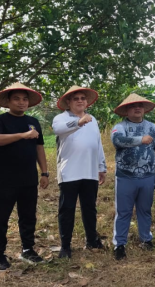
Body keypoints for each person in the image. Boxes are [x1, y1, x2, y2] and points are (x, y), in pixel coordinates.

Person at [0, 82, 49, 271]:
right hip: (6, 177)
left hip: (29, 176)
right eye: (17, 99)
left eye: (25, 99)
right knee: (1, 216)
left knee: (28, 215)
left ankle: (28, 249)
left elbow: (40, 147)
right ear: (8, 101)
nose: (22, 102)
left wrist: (45, 172)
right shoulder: (0, 120)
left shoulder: (33, 121)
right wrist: (22, 135)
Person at [52, 86, 107, 259]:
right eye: (76, 98)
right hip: (69, 171)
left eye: (83, 98)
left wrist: (101, 166)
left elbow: (97, 144)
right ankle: (65, 246)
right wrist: (79, 121)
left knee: (89, 208)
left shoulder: (93, 120)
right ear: (68, 102)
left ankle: (92, 239)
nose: (80, 101)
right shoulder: (60, 118)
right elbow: (58, 130)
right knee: (67, 209)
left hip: (90, 171)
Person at [111, 93, 155, 261]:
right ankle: (119, 244)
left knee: (145, 209)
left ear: (144, 110)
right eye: (133, 106)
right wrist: (140, 140)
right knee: (123, 211)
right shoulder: (120, 127)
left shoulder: (152, 128)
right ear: (127, 110)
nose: (137, 108)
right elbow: (117, 140)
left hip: (147, 177)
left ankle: (146, 239)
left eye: (140, 106)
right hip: (125, 177)